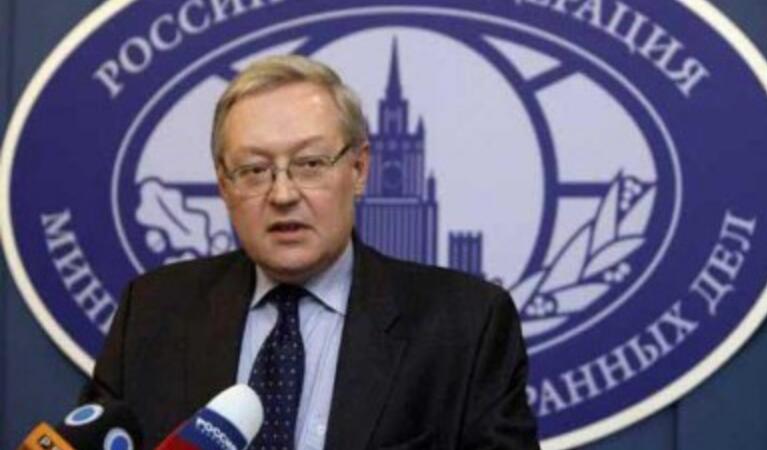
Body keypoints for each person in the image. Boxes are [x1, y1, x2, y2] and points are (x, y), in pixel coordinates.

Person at [83, 55, 540, 450]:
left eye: (310, 164)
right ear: (224, 185)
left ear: (359, 169)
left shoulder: (464, 325)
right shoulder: (153, 312)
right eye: (254, 170)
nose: (283, 194)